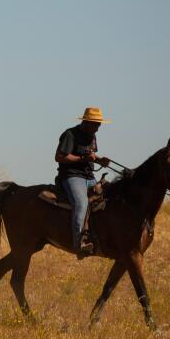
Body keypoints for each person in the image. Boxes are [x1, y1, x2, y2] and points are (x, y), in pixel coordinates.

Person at [55, 107, 112, 257]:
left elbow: (91, 155)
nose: (97, 128)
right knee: (81, 203)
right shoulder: (70, 134)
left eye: (98, 124)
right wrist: (82, 159)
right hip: (72, 176)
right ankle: (79, 243)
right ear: (85, 122)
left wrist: (100, 161)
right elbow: (60, 157)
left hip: (89, 177)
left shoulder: (92, 136)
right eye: (95, 124)